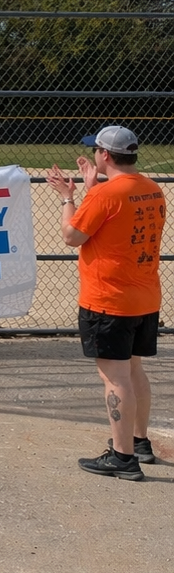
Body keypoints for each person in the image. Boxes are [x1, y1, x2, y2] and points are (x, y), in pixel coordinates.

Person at [48, 126, 167, 480]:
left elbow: (72, 236)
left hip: (109, 300)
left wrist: (68, 199)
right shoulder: (151, 188)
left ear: (105, 156)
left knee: (115, 378)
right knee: (133, 370)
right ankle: (139, 442)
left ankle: (123, 458)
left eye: (97, 151)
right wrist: (93, 189)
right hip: (144, 295)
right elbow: (118, 215)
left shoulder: (106, 196)